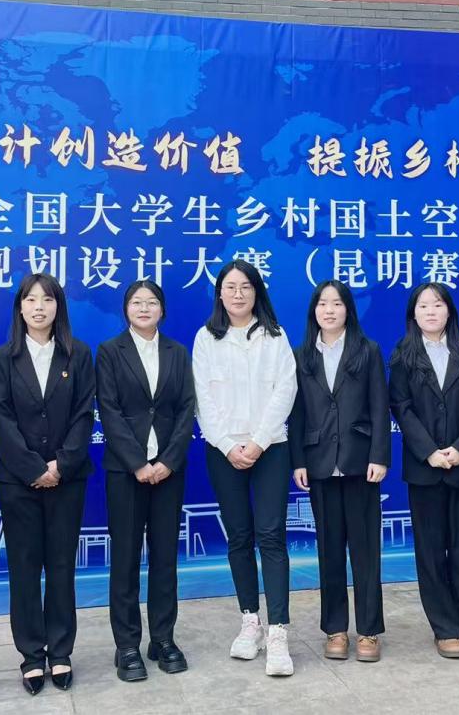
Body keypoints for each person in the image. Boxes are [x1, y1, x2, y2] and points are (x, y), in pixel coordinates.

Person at [0, 273, 95, 695]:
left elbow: (84, 414)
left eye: (47, 300)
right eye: (31, 300)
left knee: (62, 566)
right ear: (20, 308)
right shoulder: (2, 358)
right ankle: (32, 655)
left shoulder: (78, 354)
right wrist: (33, 467)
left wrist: (61, 465)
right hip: (18, 481)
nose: (39, 307)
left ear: (58, 308)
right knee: (24, 567)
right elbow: (1, 417)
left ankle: (61, 650)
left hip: (68, 479)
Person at [192, 259, 298, 677]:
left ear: (257, 292)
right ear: (219, 293)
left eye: (246, 287)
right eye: (230, 287)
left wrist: (257, 442)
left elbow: (285, 390)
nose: (238, 294)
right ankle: (250, 621)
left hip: (270, 448)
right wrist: (227, 444)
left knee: (271, 535)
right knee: (239, 536)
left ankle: (278, 631)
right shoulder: (206, 338)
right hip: (223, 451)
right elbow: (202, 397)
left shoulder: (276, 335)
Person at [96, 280, 196, 682]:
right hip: (126, 472)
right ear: (126, 310)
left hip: (169, 472)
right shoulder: (109, 351)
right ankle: (126, 645)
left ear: (162, 310)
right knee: (125, 559)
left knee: (165, 558)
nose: (143, 308)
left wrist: (168, 461)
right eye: (136, 302)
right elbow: (109, 410)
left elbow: (187, 408)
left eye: (151, 302)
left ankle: (163, 639)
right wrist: (138, 463)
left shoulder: (177, 352)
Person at [388, 283, 459, 660]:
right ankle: (445, 628)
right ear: (413, 314)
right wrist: (429, 451)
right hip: (425, 470)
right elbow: (401, 408)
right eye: (423, 306)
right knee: (431, 551)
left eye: (437, 305)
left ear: (450, 311)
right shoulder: (403, 356)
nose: (430, 311)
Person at [290, 280, 389, 664]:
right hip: (319, 465)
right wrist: (299, 461)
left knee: (366, 553)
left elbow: (380, 407)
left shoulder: (367, 350)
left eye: (336, 304)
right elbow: (297, 414)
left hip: (360, 464)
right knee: (329, 552)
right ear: (313, 311)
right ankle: (334, 629)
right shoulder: (302, 355)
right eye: (322, 304)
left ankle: (368, 631)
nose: (329, 310)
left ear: (348, 309)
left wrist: (379, 456)